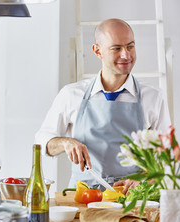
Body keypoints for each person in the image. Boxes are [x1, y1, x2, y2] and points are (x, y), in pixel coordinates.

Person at [35, 18, 171, 193]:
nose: (126, 55)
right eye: (116, 48)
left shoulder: (154, 97)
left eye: (130, 46)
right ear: (97, 51)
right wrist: (65, 142)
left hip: (133, 199)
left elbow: (166, 156)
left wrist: (144, 177)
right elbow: (41, 142)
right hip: (83, 198)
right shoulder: (71, 94)